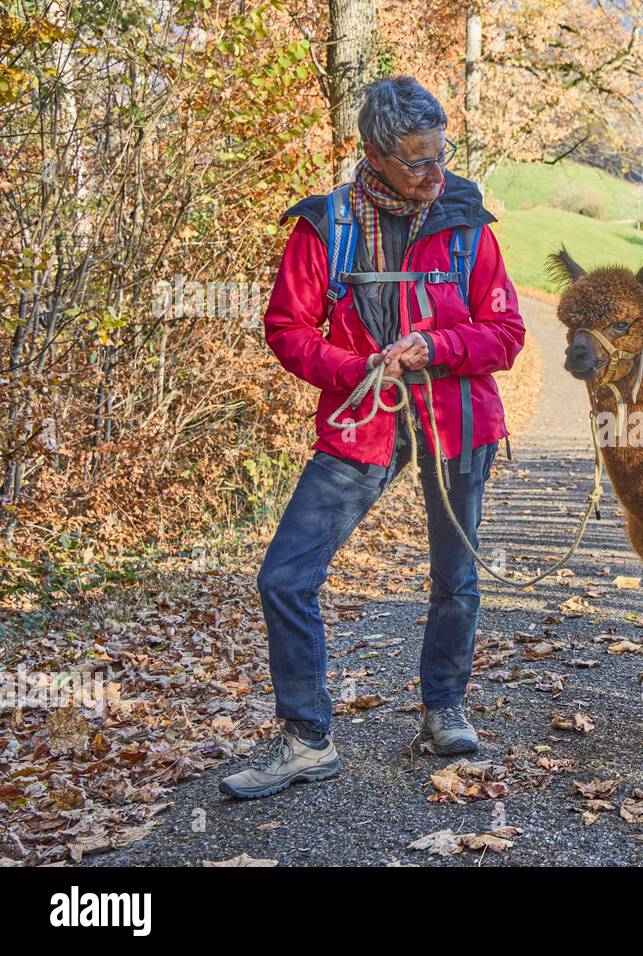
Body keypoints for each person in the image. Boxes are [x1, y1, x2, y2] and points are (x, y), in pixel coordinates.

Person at [220, 76, 525, 799]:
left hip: (458, 426)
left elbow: (506, 332)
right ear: (374, 155)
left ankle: (444, 711)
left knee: (458, 579)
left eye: (440, 154)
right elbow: (287, 331)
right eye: (418, 161)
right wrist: (357, 366)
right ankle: (306, 738)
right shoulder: (326, 226)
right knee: (285, 576)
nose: (434, 173)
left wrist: (437, 345)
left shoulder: (466, 219)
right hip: (363, 421)